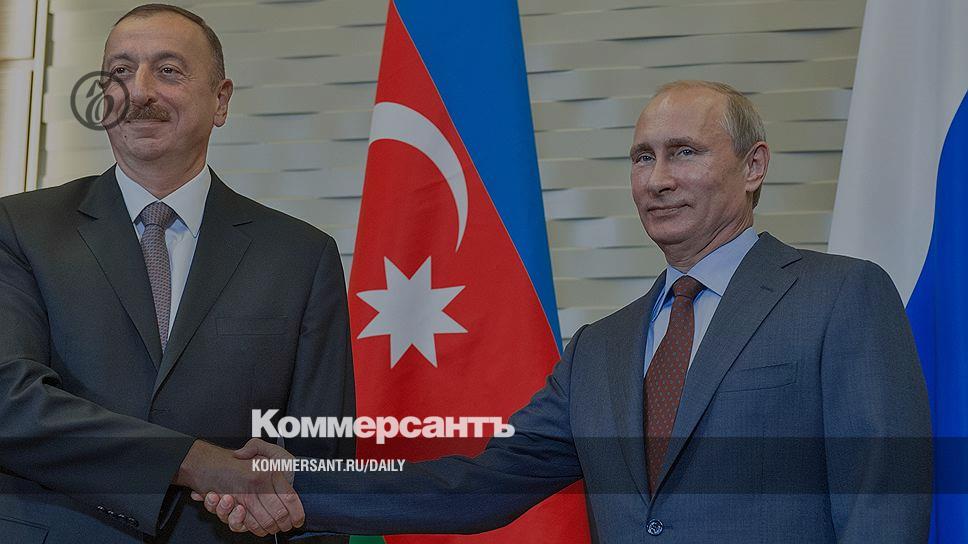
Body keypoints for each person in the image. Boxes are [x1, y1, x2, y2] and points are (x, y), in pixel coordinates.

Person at [200, 81, 933, 542]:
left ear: (754, 166)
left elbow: (885, 500)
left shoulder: (841, 296)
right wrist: (298, 484)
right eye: (642, 157)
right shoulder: (601, 348)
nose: (657, 179)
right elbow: (478, 487)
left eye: (684, 153)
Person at [0, 4, 353, 543]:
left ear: (221, 100)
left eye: (168, 70)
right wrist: (195, 462)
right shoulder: (19, 228)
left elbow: (322, 463)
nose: (139, 91)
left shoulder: (302, 256)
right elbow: (10, 402)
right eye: (120, 71)